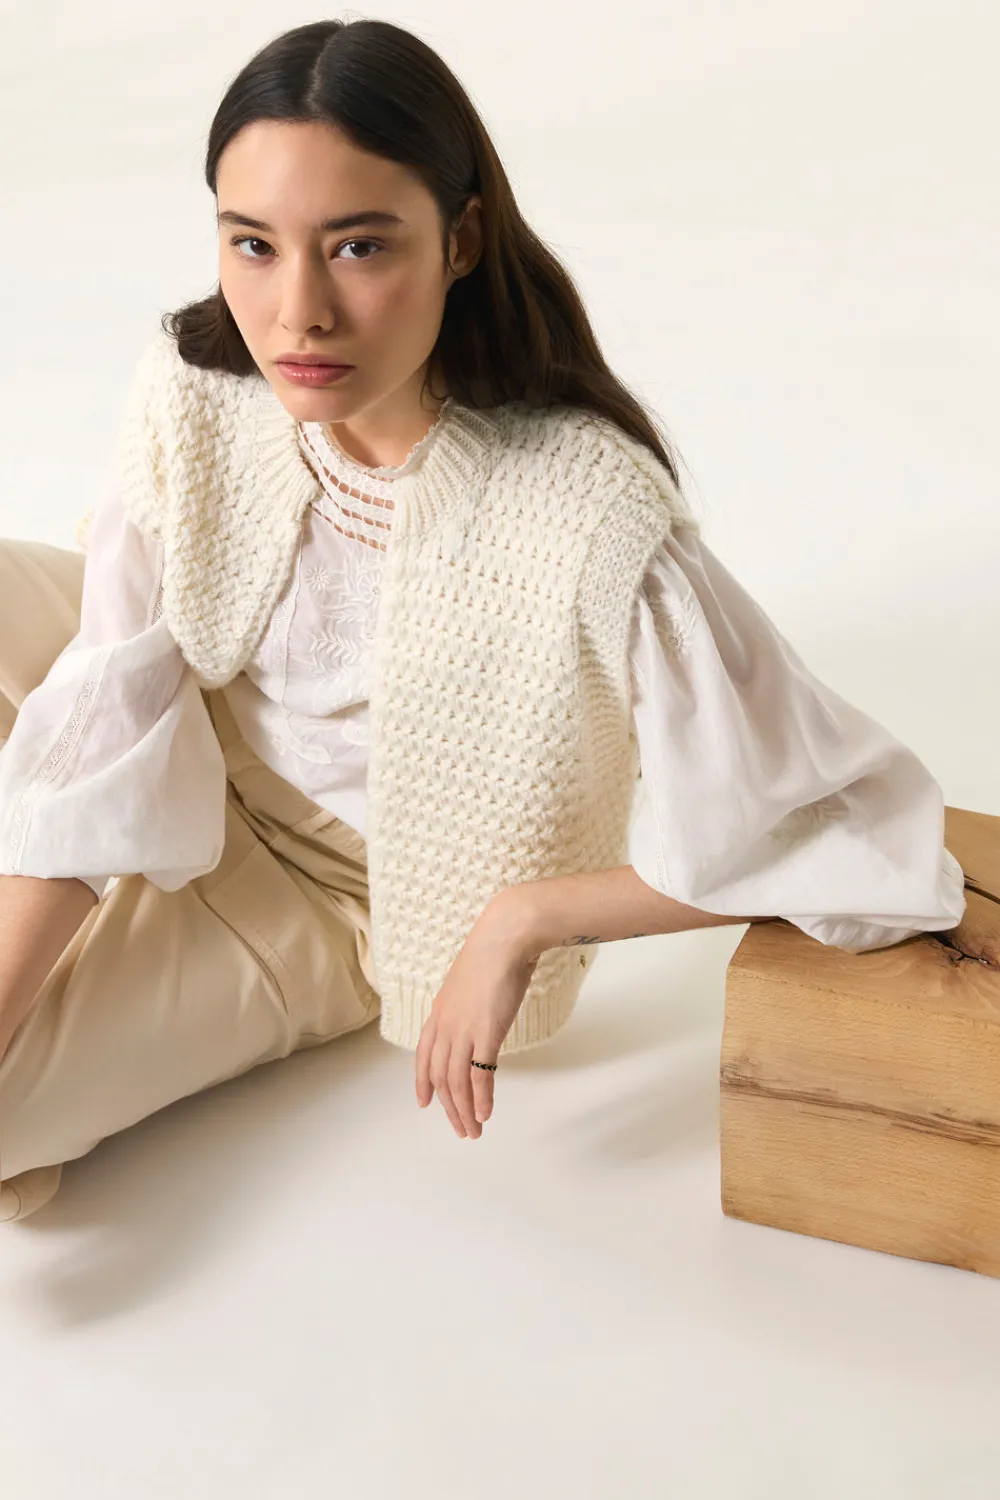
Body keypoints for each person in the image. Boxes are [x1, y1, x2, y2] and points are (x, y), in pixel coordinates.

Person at [0, 19, 965, 1221]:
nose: (297, 312)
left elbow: (856, 832)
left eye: (358, 246)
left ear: (459, 239)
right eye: (252, 244)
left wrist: (528, 914)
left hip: (327, 888)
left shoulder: (584, 515)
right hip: (176, 703)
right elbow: (109, 700)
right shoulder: (200, 381)